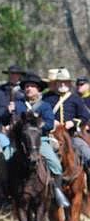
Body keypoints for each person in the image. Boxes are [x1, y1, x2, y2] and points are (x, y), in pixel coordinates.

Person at [13, 72, 70, 208]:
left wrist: (38, 123)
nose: (28, 89)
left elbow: (50, 124)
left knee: (55, 164)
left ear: (38, 89)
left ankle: (57, 191)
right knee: (6, 159)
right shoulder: (18, 104)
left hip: (40, 140)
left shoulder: (45, 106)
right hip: (21, 141)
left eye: (32, 86)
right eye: (26, 86)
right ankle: (7, 192)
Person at [42, 68, 90, 167]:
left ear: (69, 84)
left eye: (65, 82)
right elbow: (40, 115)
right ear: (56, 83)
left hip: (71, 135)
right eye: (60, 82)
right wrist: (51, 122)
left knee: (86, 153)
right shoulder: (46, 98)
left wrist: (73, 122)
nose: (63, 85)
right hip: (51, 136)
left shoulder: (75, 99)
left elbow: (85, 116)